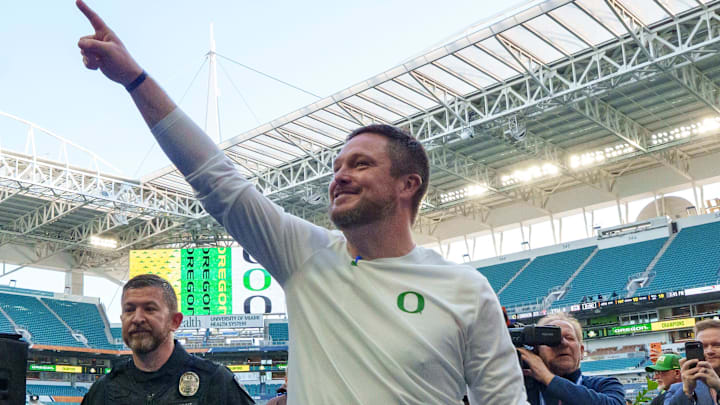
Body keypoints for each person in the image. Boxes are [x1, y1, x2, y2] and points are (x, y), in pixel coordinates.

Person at [74, 1, 528, 403]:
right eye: (336, 168)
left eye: (361, 165)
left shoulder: (465, 290)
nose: (340, 177)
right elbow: (216, 180)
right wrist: (134, 79)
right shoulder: (306, 257)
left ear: (407, 184)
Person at [81, 274, 254, 404]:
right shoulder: (104, 390)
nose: (137, 318)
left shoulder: (215, 381)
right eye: (129, 310)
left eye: (150, 309)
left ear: (175, 321)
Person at [518, 312, 625, 405]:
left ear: (581, 351)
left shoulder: (605, 385)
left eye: (569, 337)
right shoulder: (521, 391)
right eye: (552, 339)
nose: (562, 343)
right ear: (537, 352)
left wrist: (548, 377)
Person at [665, 319, 720, 404]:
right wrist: (687, 392)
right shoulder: (677, 390)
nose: (709, 351)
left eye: (717, 345)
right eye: (703, 346)